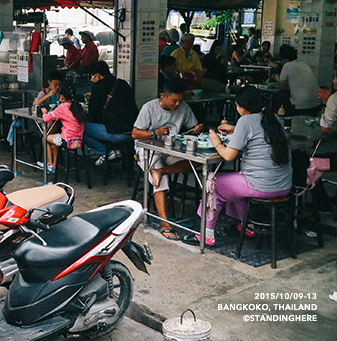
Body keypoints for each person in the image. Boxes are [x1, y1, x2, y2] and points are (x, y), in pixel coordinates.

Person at [197, 86, 292, 246]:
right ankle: (245, 224)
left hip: (260, 186)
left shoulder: (245, 121)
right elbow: (259, 133)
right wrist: (236, 130)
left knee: (215, 183)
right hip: (283, 185)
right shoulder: (273, 118)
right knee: (234, 178)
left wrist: (216, 142)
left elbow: (228, 155)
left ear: (241, 107)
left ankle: (207, 231)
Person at [132, 78, 204, 240]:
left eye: (180, 100)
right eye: (174, 100)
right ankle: (164, 222)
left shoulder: (184, 108)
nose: (177, 104)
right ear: (163, 96)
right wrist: (154, 133)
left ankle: (160, 171)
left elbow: (193, 127)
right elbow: (135, 134)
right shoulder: (149, 108)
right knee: (161, 181)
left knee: (196, 161)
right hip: (147, 149)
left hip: (170, 149)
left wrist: (196, 130)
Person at [85, 61, 138, 166]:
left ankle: (106, 152)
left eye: (92, 77)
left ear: (98, 76)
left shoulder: (98, 87)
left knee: (79, 128)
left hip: (117, 134)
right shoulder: (122, 83)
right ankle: (114, 152)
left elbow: (93, 113)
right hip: (134, 131)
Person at [40, 86, 85, 173]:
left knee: (45, 138)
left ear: (62, 97)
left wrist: (44, 112)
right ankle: (54, 164)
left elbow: (47, 118)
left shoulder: (63, 107)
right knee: (56, 138)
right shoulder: (78, 106)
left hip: (67, 141)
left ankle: (50, 164)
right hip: (79, 141)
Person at [278, 44, 321, 116]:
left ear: (284, 59)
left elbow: (282, 86)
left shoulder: (287, 65)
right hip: (316, 103)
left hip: (301, 105)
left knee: (279, 100)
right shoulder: (304, 64)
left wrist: (275, 77)